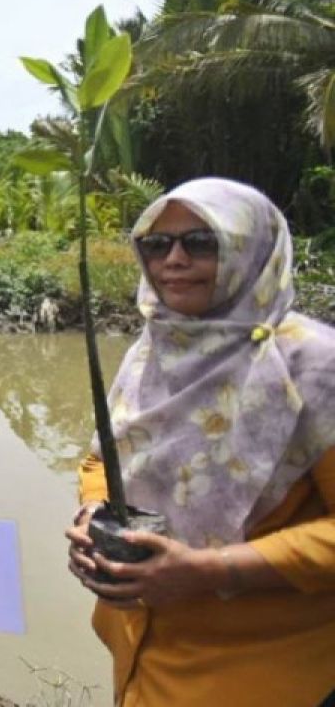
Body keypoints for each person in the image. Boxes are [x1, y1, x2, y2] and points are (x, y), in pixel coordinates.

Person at [66, 178, 335, 706]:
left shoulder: (312, 365)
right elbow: (104, 456)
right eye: (157, 243)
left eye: (201, 242)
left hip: (262, 666)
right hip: (143, 647)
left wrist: (207, 570)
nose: (174, 259)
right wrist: (94, 510)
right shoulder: (156, 346)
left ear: (250, 248)